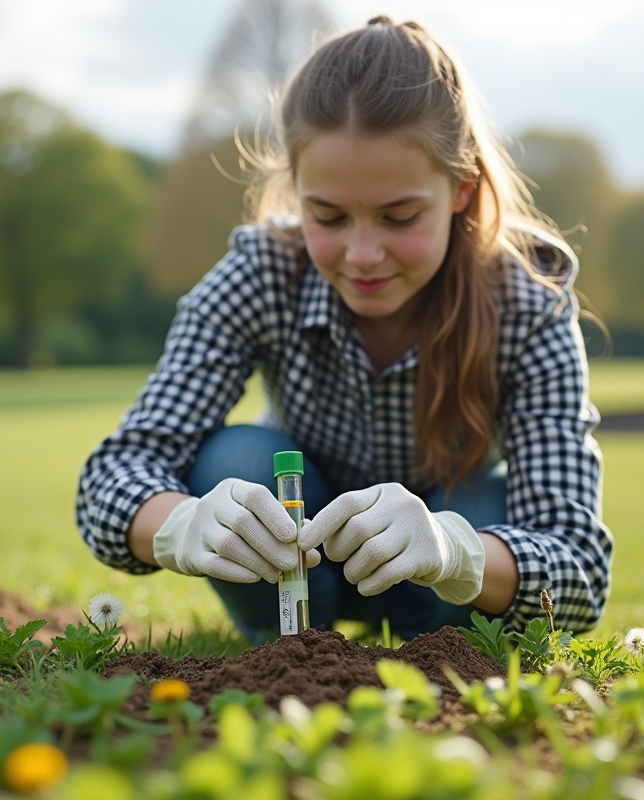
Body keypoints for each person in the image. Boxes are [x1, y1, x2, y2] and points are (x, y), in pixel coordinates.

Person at [76, 16, 612, 644]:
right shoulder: (260, 274)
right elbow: (112, 478)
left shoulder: (527, 303)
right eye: (327, 215)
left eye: (399, 216)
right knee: (236, 463)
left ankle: (439, 625)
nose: (362, 254)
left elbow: (579, 570)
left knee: (480, 509)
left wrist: (452, 550)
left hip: (449, 595)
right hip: (295, 574)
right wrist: (184, 523)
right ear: (296, 191)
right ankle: (294, 641)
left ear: (461, 190)